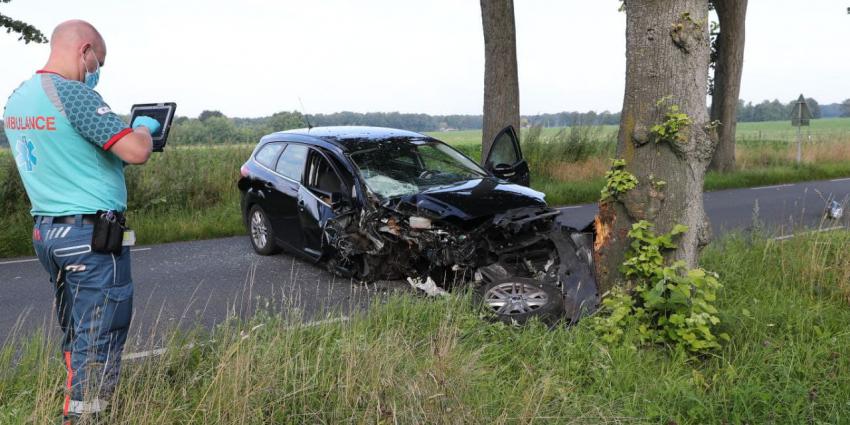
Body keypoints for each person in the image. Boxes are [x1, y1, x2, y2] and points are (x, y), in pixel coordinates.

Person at [2, 20, 160, 423]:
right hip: (89, 235)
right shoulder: (72, 95)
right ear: (84, 50)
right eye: (98, 61)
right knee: (102, 330)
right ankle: (85, 415)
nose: (96, 69)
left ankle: (76, 397)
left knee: (76, 325)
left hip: (47, 233)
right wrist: (143, 127)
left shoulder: (18, 99)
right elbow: (135, 151)